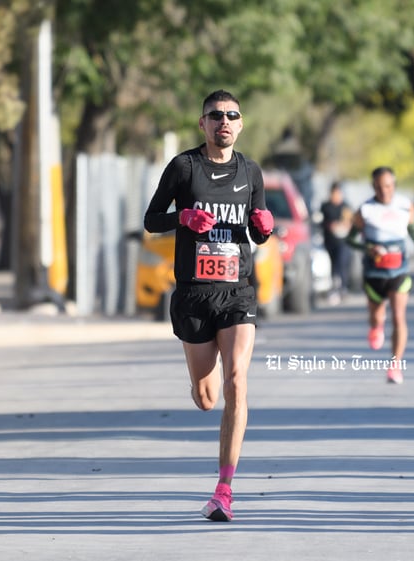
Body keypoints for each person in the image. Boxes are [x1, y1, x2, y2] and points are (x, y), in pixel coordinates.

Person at [143, 90, 273, 522]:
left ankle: (224, 489)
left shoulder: (251, 171)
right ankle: (207, 376)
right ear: (203, 123)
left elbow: (259, 226)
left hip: (237, 291)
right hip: (194, 294)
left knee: (237, 379)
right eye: (215, 115)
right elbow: (151, 219)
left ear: (241, 123)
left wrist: (265, 226)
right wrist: (182, 218)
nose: (224, 122)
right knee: (206, 397)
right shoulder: (184, 167)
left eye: (232, 115)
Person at [347, 167, 414, 384]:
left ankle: (395, 365)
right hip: (374, 274)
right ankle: (376, 325)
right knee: (377, 316)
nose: (384, 191)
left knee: (399, 316)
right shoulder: (365, 210)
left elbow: (413, 229)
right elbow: (350, 240)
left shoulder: (405, 205)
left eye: (388, 186)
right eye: (379, 186)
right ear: (373, 186)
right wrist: (369, 249)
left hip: (399, 272)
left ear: (394, 185)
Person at [319, 181, 352, 303]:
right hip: (330, 241)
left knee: (341, 262)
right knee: (332, 264)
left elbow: (350, 221)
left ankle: (343, 287)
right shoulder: (325, 206)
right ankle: (334, 286)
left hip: (343, 241)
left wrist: (344, 225)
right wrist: (330, 225)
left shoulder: (346, 206)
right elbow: (320, 222)